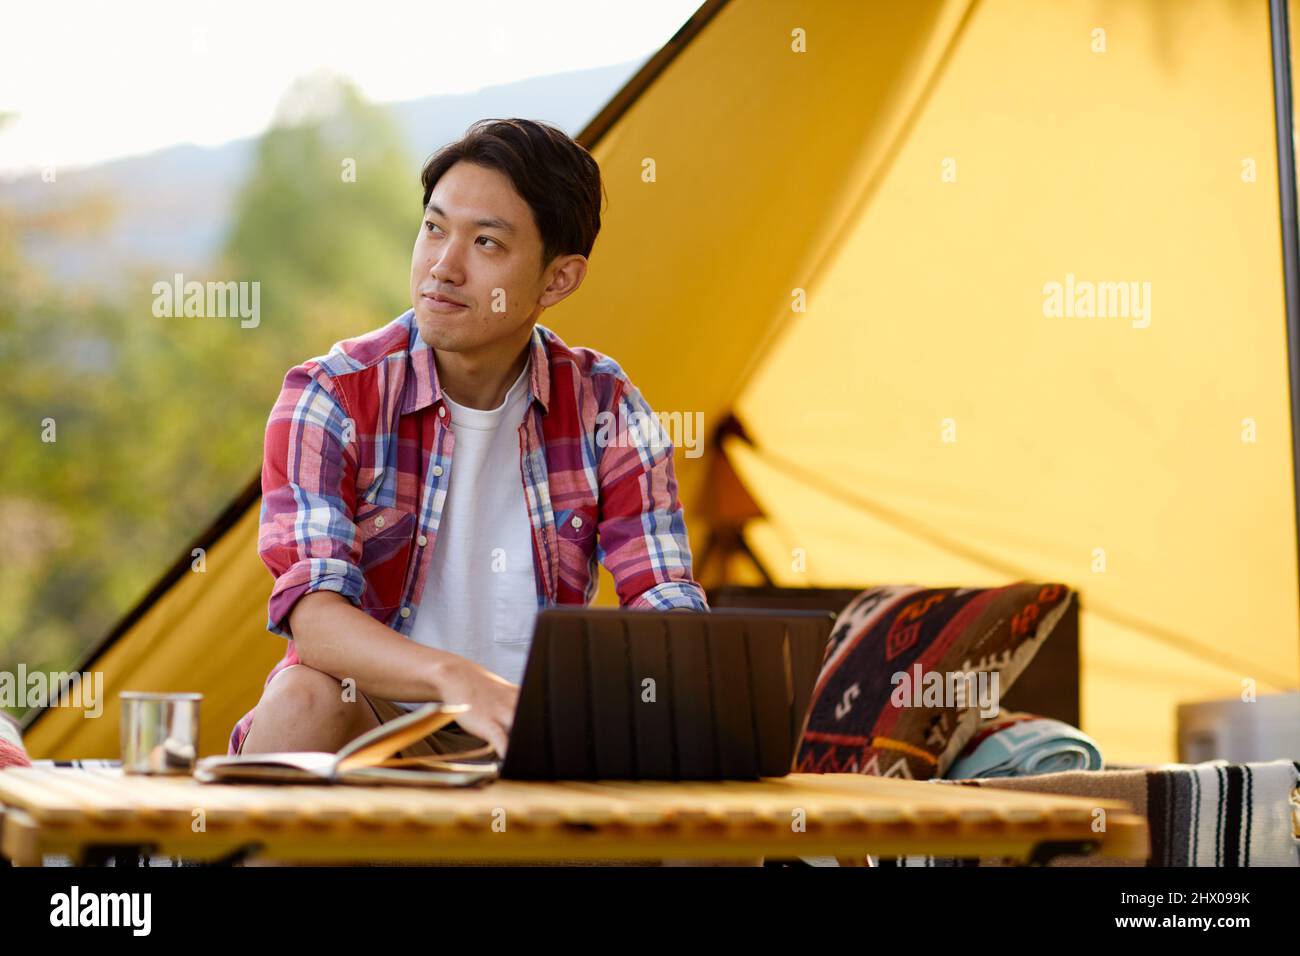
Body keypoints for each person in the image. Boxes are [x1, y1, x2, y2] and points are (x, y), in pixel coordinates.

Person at [229, 119, 707, 762]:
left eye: (485, 243)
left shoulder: (605, 405)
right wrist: (460, 682)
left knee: (687, 731)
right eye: (433, 228)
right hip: (379, 727)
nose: (442, 267)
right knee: (305, 698)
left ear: (557, 280)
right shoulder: (333, 396)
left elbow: (661, 597)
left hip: (541, 731)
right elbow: (314, 621)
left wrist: (683, 680)